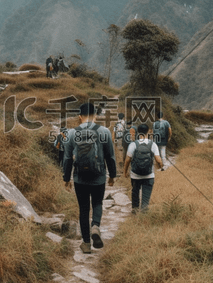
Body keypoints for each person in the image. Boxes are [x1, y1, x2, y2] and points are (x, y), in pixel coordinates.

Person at [63, 103, 117, 254]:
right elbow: (110, 156)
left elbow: (67, 159)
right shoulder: (104, 131)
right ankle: (96, 226)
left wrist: (66, 178)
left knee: (84, 209)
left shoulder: (72, 133)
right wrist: (112, 175)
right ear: (96, 116)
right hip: (99, 177)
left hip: (80, 178)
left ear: (80, 117)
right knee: (98, 202)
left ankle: (86, 244)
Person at [124, 123, 163, 213]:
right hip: (149, 176)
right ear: (148, 131)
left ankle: (135, 211)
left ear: (138, 132)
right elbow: (158, 160)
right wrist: (160, 166)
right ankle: (144, 213)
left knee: (135, 194)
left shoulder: (133, 144)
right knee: (145, 199)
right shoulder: (153, 144)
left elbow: (127, 160)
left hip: (135, 175)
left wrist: (125, 172)